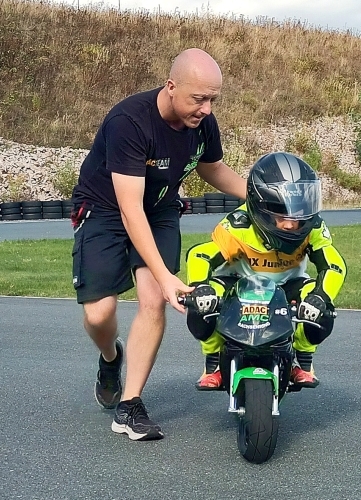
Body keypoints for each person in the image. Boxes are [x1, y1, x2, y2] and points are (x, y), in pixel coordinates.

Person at [70, 48, 247, 441]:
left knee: (151, 300)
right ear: (171, 87)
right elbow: (129, 209)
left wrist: (261, 195)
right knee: (99, 316)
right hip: (106, 210)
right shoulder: (130, 122)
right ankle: (110, 358)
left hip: (161, 209)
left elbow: (211, 166)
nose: (206, 108)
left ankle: (129, 405)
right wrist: (168, 277)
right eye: (198, 98)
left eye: (213, 99)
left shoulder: (202, 124)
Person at [184, 152, 347, 390]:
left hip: (287, 284)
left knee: (321, 305)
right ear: (261, 207)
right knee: (201, 305)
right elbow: (200, 255)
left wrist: (321, 297)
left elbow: (333, 264)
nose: (292, 224)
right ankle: (213, 363)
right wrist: (200, 287)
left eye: (299, 210)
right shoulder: (238, 225)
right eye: (281, 212)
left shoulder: (314, 227)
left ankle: (302, 360)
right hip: (237, 282)